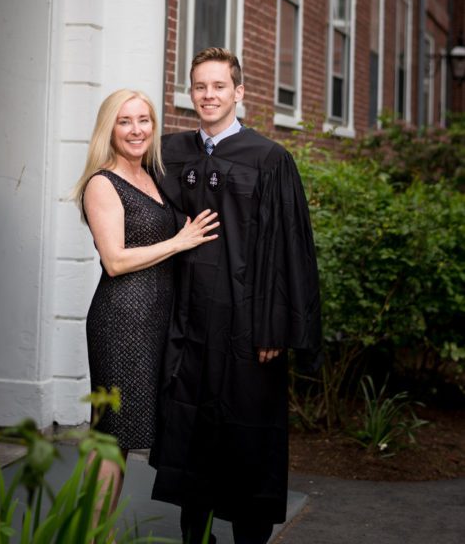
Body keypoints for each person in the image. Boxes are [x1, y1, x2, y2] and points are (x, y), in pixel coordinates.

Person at [150, 48, 322, 544]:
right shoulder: (170, 152)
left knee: (248, 432)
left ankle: (249, 538)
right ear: (190, 92)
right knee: (191, 428)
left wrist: (275, 327)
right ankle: (193, 535)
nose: (209, 95)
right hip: (186, 322)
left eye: (219, 86)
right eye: (200, 87)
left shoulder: (268, 159)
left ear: (239, 92)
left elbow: (289, 250)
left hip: (247, 324)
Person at [75, 88, 220, 515]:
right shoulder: (102, 182)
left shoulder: (152, 175)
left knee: (126, 435)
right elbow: (115, 260)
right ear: (109, 129)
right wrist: (179, 242)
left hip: (156, 319)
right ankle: (89, 535)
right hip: (122, 320)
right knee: (112, 436)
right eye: (125, 121)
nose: (136, 130)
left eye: (144, 120)